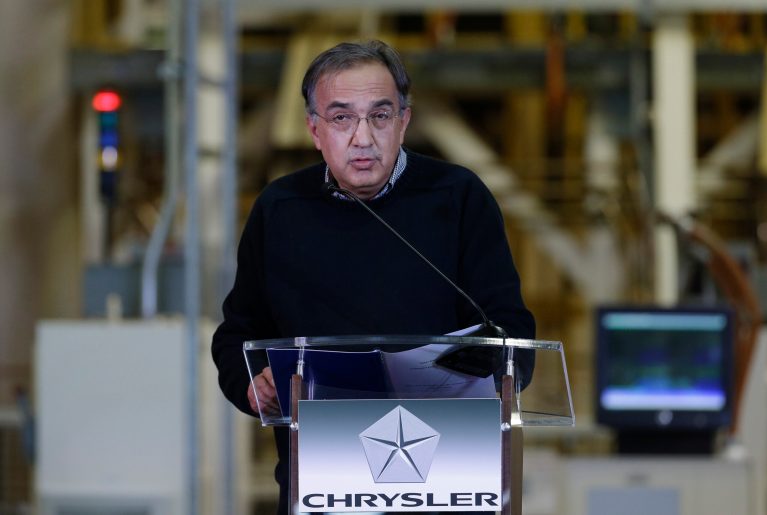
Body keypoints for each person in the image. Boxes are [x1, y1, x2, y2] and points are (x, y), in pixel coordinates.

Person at [212, 39, 535, 515]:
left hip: (450, 477)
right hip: (321, 479)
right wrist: (251, 383)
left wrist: (498, 364)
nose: (362, 137)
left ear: (403, 122)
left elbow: (512, 331)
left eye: (380, 116)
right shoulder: (280, 210)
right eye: (342, 118)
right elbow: (238, 334)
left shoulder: (458, 196)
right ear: (314, 129)